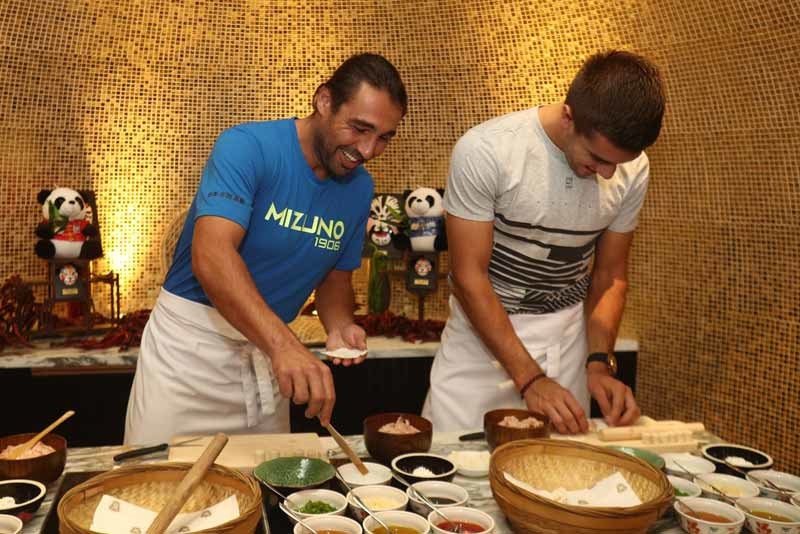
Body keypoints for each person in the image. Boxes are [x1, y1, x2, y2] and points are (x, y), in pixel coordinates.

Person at [125, 53, 408, 444]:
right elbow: (211, 256)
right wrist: (284, 345)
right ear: (324, 100)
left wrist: (340, 326)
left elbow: (334, 279)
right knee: (157, 478)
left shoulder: (359, 189)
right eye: (359, 128)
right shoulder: (247, 147)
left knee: (263, 479)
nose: (368, 149)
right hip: (187, 358)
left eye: (384, 137)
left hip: (267, 361)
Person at [423, 50, 665, 435]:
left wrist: (598, 363)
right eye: (597, 158)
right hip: (479, 347)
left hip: (567, 342)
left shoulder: (634, 169)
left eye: (617, 164)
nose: (607, 174)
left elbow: (609, 277)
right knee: (455, 461)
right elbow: (468, 277)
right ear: (569, 117)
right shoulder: (488, 150)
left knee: (559, 467)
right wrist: (531, 379)